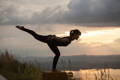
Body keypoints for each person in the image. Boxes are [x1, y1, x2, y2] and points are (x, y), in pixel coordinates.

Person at [16, 25, 81, 71]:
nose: (78, 36)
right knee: (35, 35)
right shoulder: (68, 40)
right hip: (49, 40)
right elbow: (60, 40)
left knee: (57, 54)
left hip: (51, 42)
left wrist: (54, 37)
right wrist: (54, 37)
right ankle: (23, 28)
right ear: (75, 35)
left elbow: (60, 39)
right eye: (78, 35)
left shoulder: (69, 39)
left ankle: (54, 69)